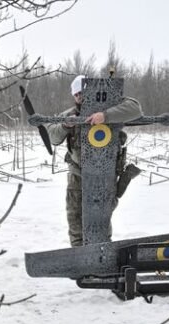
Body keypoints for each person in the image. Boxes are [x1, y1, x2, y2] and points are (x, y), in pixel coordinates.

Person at [47, 74, 144, 247]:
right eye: (76, 95)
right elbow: (53, 137)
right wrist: (65, 125)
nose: (80, 98)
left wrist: (105, 116)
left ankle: (101, 255)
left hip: (104, 175)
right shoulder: (70, 114)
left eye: (82, 93)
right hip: (78, 175)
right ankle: (79, 259)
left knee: (101, 219)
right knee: (75, 218)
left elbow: (135, 109)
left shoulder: (112, 106)